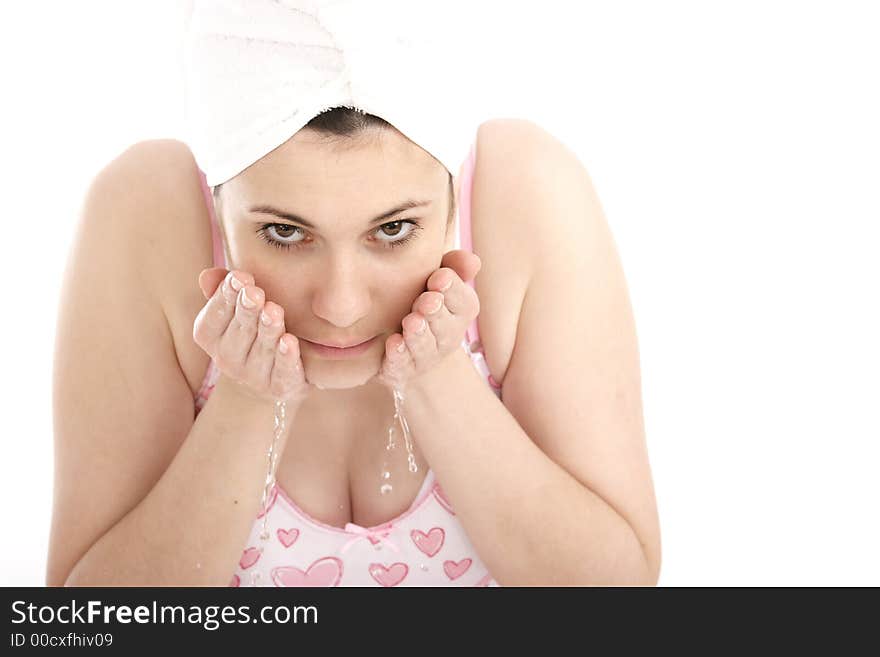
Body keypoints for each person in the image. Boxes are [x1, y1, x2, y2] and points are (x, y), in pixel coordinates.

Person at [47, 7, 660, 588]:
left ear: (454, 196)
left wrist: (437, 375)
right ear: (217, 201)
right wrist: (248, 398)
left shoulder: (526, 191)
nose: (340, 306)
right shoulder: (149, 211)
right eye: (285, 233)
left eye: (393, 230)